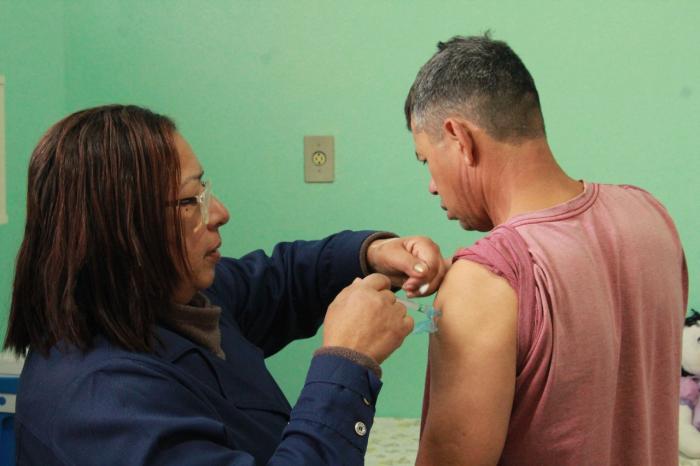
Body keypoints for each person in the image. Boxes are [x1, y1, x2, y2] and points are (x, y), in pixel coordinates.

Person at [3, 104, 449, 465]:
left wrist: (370, 253)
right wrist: (346, 364)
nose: (219, 212)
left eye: (206, 190)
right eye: (190, 200)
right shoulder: (101, 404)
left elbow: (283, 279)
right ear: (122, 229)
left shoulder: (175, 302)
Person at [404, 34, 688, 465]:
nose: (431, 185)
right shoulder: (651, 216)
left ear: (459, 138)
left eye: (426, 160)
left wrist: (471, 286)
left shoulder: (485, 282)